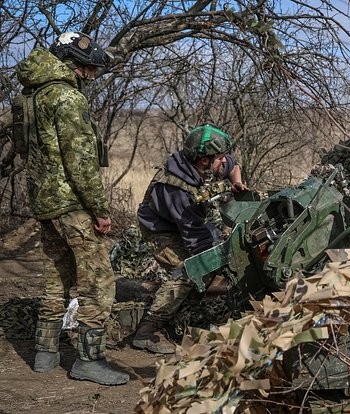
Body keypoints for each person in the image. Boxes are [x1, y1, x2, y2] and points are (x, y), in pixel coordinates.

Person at [15, 32, 129, 385]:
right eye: (89, 67)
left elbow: (25, 149)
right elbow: (80, 162)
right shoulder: (66, 96)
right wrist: (99, 209)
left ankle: (45, 352)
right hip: (70, 203)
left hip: (43, 201)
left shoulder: (30, 95)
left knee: (57, 275)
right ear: (73, 63)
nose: (92, 74)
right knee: (98, 280)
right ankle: (89, 360)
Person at [132, 124, 248, 354]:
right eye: (219, 159)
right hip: (160, 232)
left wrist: (236, 181)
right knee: (187, 272)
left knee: (215, 255)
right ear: (204, 161)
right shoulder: (178, 191)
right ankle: (147, 331)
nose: (223, 163)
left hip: (185, 224)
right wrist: (220, 267)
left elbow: (233, 165)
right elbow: (199, 245)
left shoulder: (202, 162)